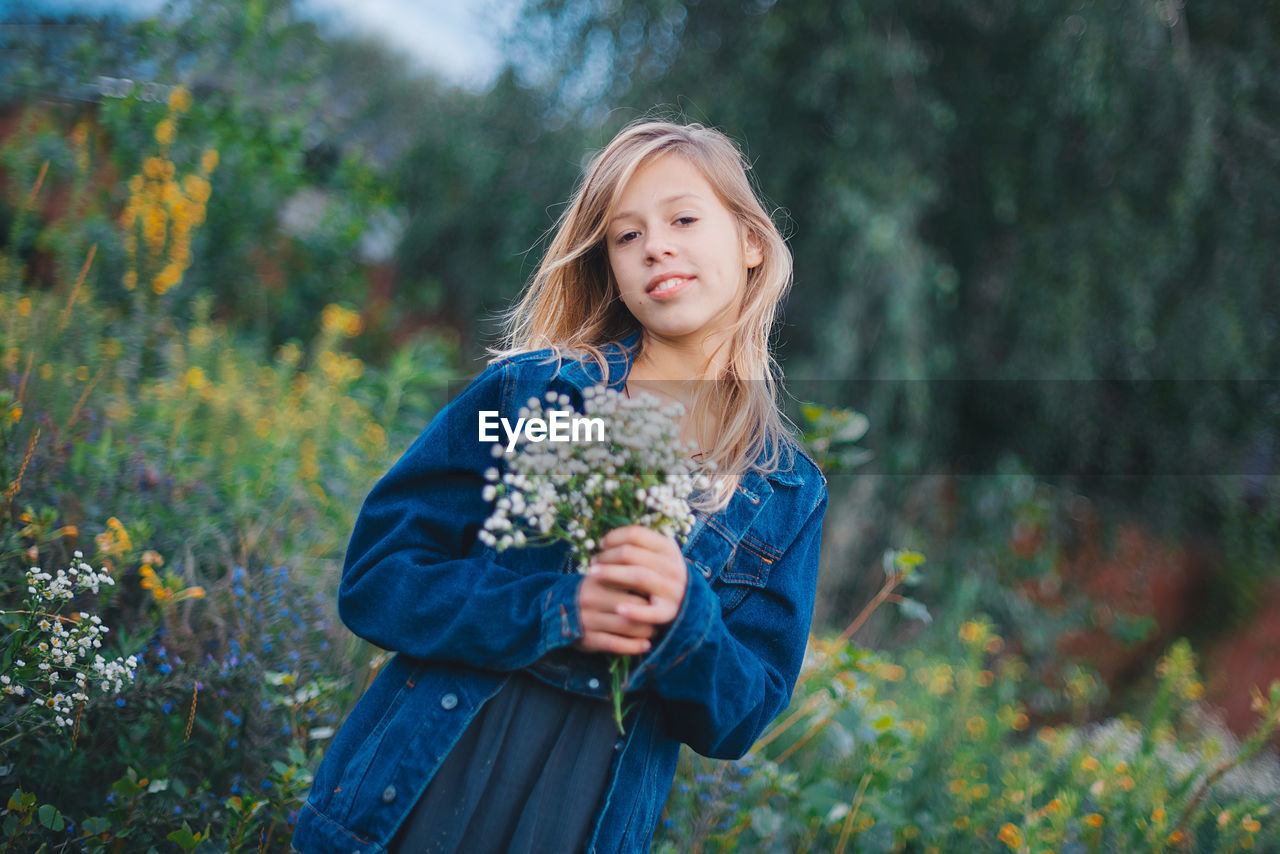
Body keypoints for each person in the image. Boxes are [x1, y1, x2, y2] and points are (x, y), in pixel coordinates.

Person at [290, 118, 829, 854]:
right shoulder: (533, 400)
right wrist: (554, 608)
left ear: (751, 242)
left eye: (682, 218)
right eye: (626, 236)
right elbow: (379, 578)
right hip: (419, 792)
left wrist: (683, 615)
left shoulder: (786, 492)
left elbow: (738, 719)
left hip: (580, 822)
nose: (655, 246)